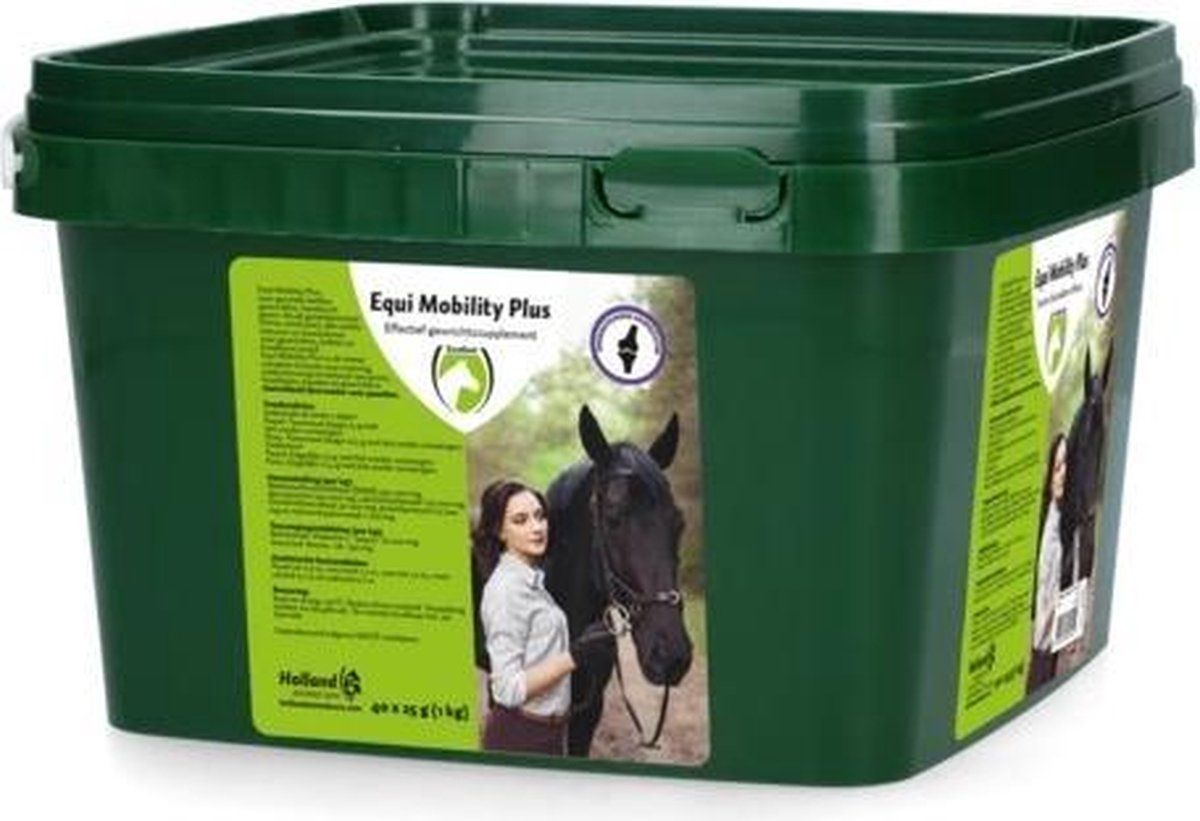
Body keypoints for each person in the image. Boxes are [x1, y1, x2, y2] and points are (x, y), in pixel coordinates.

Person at [472, 479, 614, 755]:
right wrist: (576, 655)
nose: (537, 528)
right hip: (519, 737)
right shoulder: (506, 591)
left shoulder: (533, 581)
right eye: (520, 520)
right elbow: (507, 690)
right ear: (500, 531)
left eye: (539, 516)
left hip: (549, 734)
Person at [1028, 434, 1068, 693]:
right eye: (1058, 467)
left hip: (1055, 648)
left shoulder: (1072, 525)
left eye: (1067, 466)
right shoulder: (1041, 521)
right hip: (1037, 644)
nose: (1062, 474)